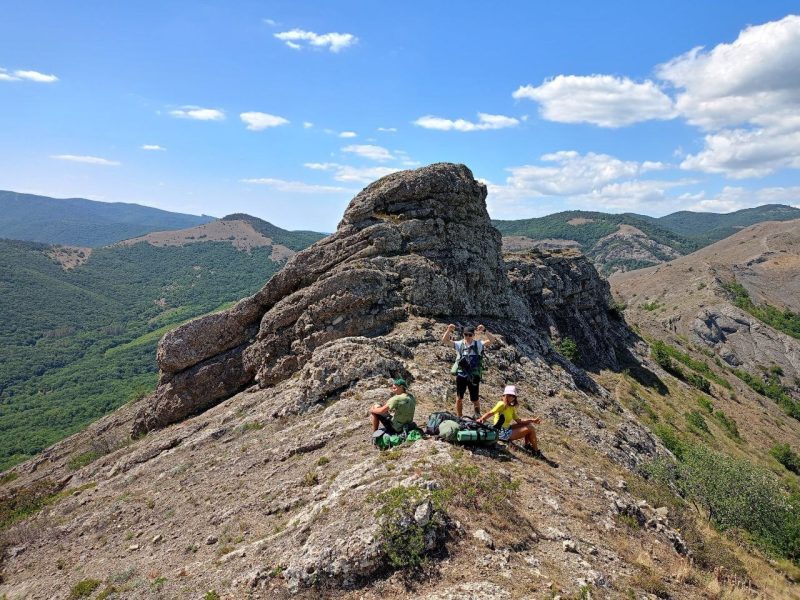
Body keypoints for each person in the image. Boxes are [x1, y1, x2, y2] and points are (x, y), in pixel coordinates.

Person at [441, 323, 497, 417]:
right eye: (466, 335)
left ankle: (477, 416)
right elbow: (445, 340)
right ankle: (459, 417)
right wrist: (449, 330)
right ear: (463, 334)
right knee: (459, 398)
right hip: (461, 375)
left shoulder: (478, 344)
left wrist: (484, 330)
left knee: (475, 399)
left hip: (473, 375)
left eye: (470, 335)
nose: (468, 337)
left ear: (473, 335)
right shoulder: (459, 344)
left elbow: (492, 340)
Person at [477, 385, 545, 459]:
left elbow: (518, 421)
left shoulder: (511, 407)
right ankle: (536, 451)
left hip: (506, 428)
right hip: (501, 432)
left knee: (528, 424)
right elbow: (491, 412)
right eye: (509, 395)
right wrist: (482, 419)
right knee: (530, 428)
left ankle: (527, 445)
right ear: (505, 395)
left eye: (513, 396)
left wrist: (532, 420)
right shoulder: (501, 404)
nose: (511, 397)